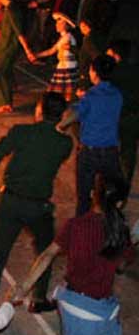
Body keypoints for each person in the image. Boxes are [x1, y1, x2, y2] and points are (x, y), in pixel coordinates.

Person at [14, 175, 134, 335]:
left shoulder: (75, 225)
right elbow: (122, 266)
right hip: (97, 316)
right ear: (120, 204)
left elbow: (48, 255)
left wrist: (24, 287)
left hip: (69, 307)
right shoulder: (120, 232)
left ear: (92, 196)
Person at [0, 92, 73, 312]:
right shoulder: (64, 144)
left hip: (10, 202)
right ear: (61, 115)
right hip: (39, 207)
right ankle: (38, 298)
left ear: (39, 110)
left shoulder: (21, 132)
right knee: (45, 252)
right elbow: (58, 129)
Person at [57, 54, 128, 215]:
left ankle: (81, 230)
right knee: (110, 196)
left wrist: (61, 125)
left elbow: (74, 114)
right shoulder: (117, 94)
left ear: (94, 73)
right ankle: (111, 229)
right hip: (111, 151)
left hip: (90, 152)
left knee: (84, 197)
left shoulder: (90, 96)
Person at [0, 0, 36, 113]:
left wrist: (27, 50)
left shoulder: (12, 10)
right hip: (8, 46)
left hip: (7, 47)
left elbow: (19, 32)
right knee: (4, 73)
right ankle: (7, 103)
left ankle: (1, 103)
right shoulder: (9, 9)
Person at [106, 40, 139, 188]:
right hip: (133, 116)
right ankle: (124, 185)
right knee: (128, 152)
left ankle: (110, 184)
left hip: (116, 117)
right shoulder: (135, 70)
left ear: (115, 54)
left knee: (110, 150)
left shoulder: (114, 72)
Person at [33, 12, 78, 101]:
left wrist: (36, 55)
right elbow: (51, 51)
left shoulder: (67, 37)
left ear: (65, 25)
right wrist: (36, 55)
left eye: (59, 23)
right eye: (57, 23)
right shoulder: (63, 37)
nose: (56, 25)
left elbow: (56, 50)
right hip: (63, 67)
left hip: (67, 68)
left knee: (65, 94)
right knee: (59, 93)